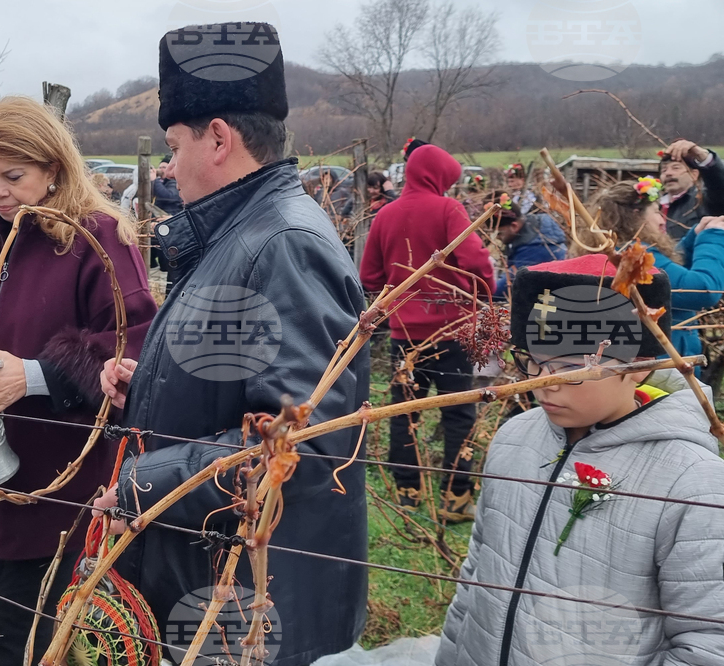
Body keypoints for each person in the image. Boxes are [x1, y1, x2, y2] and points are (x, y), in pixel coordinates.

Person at [95, 23, 370, 666]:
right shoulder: (240, 232)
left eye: (173, 145)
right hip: (217, 579)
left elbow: (304, 440)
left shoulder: (283, 244)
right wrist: (155, 385)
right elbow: (249, 386)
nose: (167, 166)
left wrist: (142, 484)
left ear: (218, 138)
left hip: (249, 605)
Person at [0, 96, 157, 665]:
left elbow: (132, 347)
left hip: (79, 481)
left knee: (72, 633)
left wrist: (35, 376)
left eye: (14, 176)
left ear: (54, 170)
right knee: (16, 633)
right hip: (4, 476)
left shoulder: (97, 239)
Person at [437, 254, 724, 666]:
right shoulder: (514, 438)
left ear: (640, 366)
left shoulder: (692, 481)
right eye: (531, 364)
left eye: (570, 368)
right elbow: (477, 573)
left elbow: (707, 645)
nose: (543, 385)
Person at [360, 143, 495, 522]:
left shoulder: (385, 215)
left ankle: (407, 492)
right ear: (439, 178)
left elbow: (369, 276)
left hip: (405, 337)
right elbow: (474, 261)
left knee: (404, 412)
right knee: (458, 414)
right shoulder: (449, 209)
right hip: (453, 332)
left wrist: (402, 287)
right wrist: (483, 288)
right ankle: (457, 497)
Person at [576, 179, 724, 362]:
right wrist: (713, 237)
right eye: (656, 212)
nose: (662, 220)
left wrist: (694, 237)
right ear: (637, 216)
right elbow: (702, 290)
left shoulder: (617, 251)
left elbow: (669, 273)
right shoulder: (636, 258)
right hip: (661, 364)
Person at [488, 189, 567, 298]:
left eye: (500, 233)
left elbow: (506, 287)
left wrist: (483, 294)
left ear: (514, 226)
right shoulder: (532, 231)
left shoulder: (536, 248)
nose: (497, 237)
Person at [658, 139, 724, 242]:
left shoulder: (702, 199)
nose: (668, 173)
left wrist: (704, 158)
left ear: (694, 174)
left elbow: (719, 187)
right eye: (664, 170)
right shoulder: (653, 205)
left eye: (675, 168)